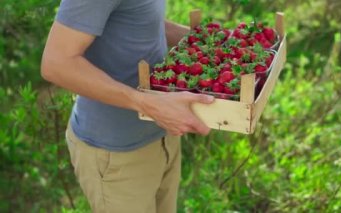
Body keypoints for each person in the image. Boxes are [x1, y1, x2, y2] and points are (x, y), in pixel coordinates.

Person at [41, 0, 214, 212]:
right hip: (116, 155)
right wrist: (146, 103)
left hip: (162, 136)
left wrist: (208, 39)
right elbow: (56, 63)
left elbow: (140, 20)